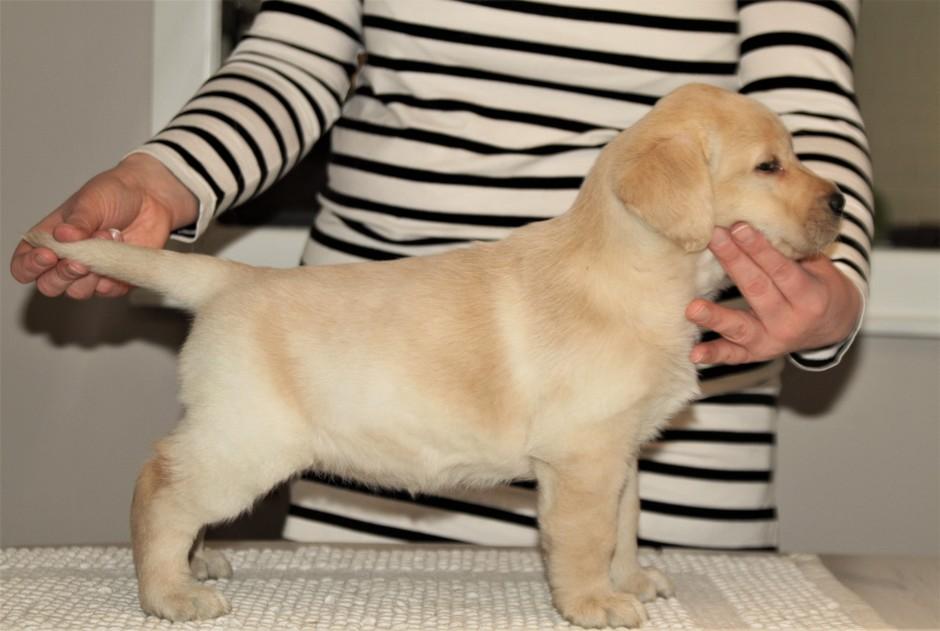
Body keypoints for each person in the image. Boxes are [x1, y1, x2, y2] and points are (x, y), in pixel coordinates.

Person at [11, 0, 872, 550]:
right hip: (361, 378)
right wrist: (167, 176)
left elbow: (811, 106)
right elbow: (290, 64)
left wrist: (833, 290)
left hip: (684, 476)